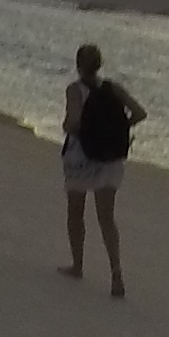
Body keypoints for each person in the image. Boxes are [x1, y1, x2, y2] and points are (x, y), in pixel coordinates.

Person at [59, 42, 144, 298]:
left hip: (81, 158)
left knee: (76, 211)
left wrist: (81, 130)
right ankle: (116, 272)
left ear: (77, 64)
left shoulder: (75, 90)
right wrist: (118, 129)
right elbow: (140, 113)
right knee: (106, 217)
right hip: (110, 159)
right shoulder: (112, 88)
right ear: (99, 65)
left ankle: (78, 265)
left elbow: (72, 123)